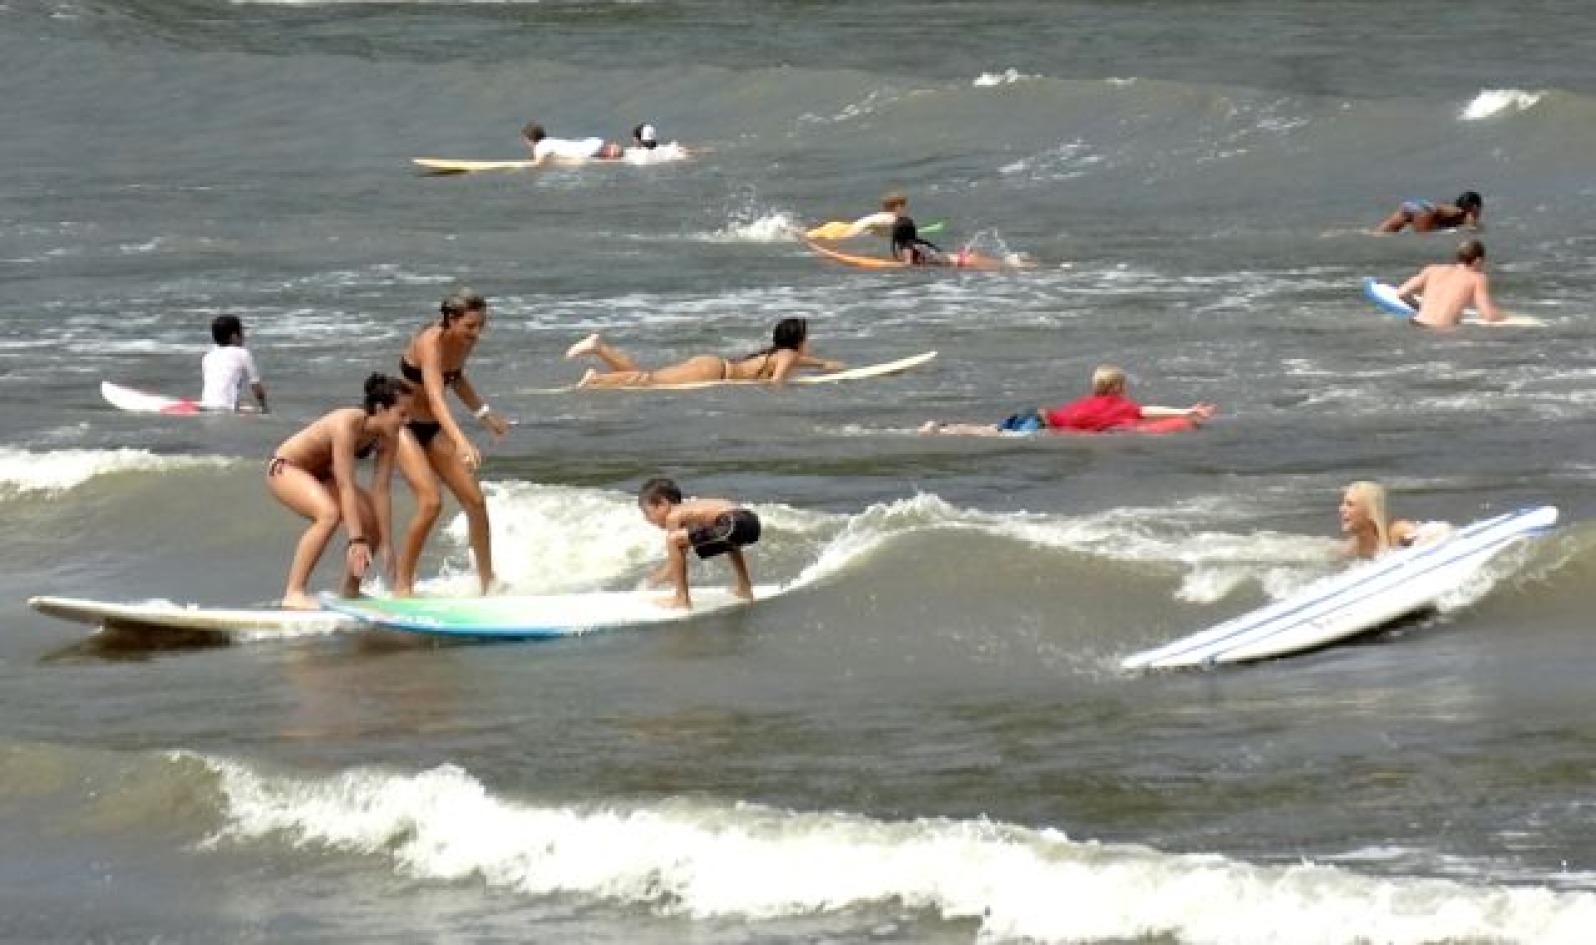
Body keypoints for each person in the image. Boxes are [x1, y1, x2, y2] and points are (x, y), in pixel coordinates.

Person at [394, 290, 511, 597]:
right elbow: (435, 396)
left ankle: (488, 584)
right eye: (471, 326)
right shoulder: (429, 342)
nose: (476, 334)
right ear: (450, 319)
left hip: (432, 427)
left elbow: (455, 379)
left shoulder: (462, 343)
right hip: (402, 426)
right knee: (431, 503)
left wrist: (486, 415)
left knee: (475, 501)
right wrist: (460, 440)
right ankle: (403, 585)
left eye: (481, 326)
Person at [266, 374, 412, 609]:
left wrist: (385, 542)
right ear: (380, 409)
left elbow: (381, 489)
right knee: (329, 514)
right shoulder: (347, 424)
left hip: (321, 475)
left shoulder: (389, 436)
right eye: (402, 414)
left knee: (371, 522)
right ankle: (293, 593)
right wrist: (356, 539)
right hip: (286, 468)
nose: (407, 421)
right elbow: (345, 485)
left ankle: (350, 591)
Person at [920, 364, 1214, 435]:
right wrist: (1186, 412)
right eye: (1123, 385)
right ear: (1116, 388)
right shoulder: (1121, 407)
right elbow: (1148, 412)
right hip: (1039, 425)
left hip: (1037, 414)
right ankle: (941, 428)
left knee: (991, 430)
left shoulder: (1094, 401)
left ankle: (942, 426)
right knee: (992, 435)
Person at [564, 317, 842, 388]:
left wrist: (826, 365)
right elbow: (777, 382)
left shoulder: (782, 353)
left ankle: (598, 348)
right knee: (651, 382)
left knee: (650, 378)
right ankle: (596, 379)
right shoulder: (788, 357)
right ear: (798, 340)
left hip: (714, 365)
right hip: (715, 371)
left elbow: (805, 361)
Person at [638, 477, 760, 609]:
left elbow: (678, 552)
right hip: (750, 522)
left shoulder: (673, 515)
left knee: (672, 540)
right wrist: (665, 575)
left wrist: (653, 580)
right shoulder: (694, 510)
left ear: (662, 503)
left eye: (647, 513)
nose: (647, 519)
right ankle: (745, 587)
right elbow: (679, 555)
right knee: (729, 542)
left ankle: (681, 598)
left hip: (732, 522)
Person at [1396, 238, 1509, 329]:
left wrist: (1421, 308)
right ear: (1477, 261)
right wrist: (1505, 317)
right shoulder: (1477, 278)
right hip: (1440, 331)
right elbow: (1488, 315)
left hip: (1415, 324)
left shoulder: (1432, 269)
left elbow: (1401, 293)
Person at [1338, 481, 1451, 560]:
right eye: (1343, 504)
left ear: (1370, 512)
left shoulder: (1396, 531)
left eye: (1350, 504)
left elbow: (1441, 530)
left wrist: (1411, 540)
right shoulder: (1351, 549)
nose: (1341, 509)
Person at [201, 314, 268, 413]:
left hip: (205, 406)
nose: (244, 336)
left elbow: (219, 386)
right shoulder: (242, 353)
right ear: (234, 336)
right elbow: (256, 386)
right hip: (226, 408)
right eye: (242, 332)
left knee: (245, 407)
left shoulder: (207, 356)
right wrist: (264, 408)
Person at [1375, 191, 1483, 233]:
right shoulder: (1466, 213)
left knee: (1379, 234)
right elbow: (1472, 228)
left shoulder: (1451, 209)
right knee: (1421, 242)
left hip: (1413, 204)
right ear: (1474, 207)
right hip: (1424, 211)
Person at [521, 122, 623, 165]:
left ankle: (613, 152)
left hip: (586, 151)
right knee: (613, 151)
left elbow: (538, 163)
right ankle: (613, 149)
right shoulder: (550, 140)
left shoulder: (540, 147)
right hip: (590, 142)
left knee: (614, 155)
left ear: (529, 140)